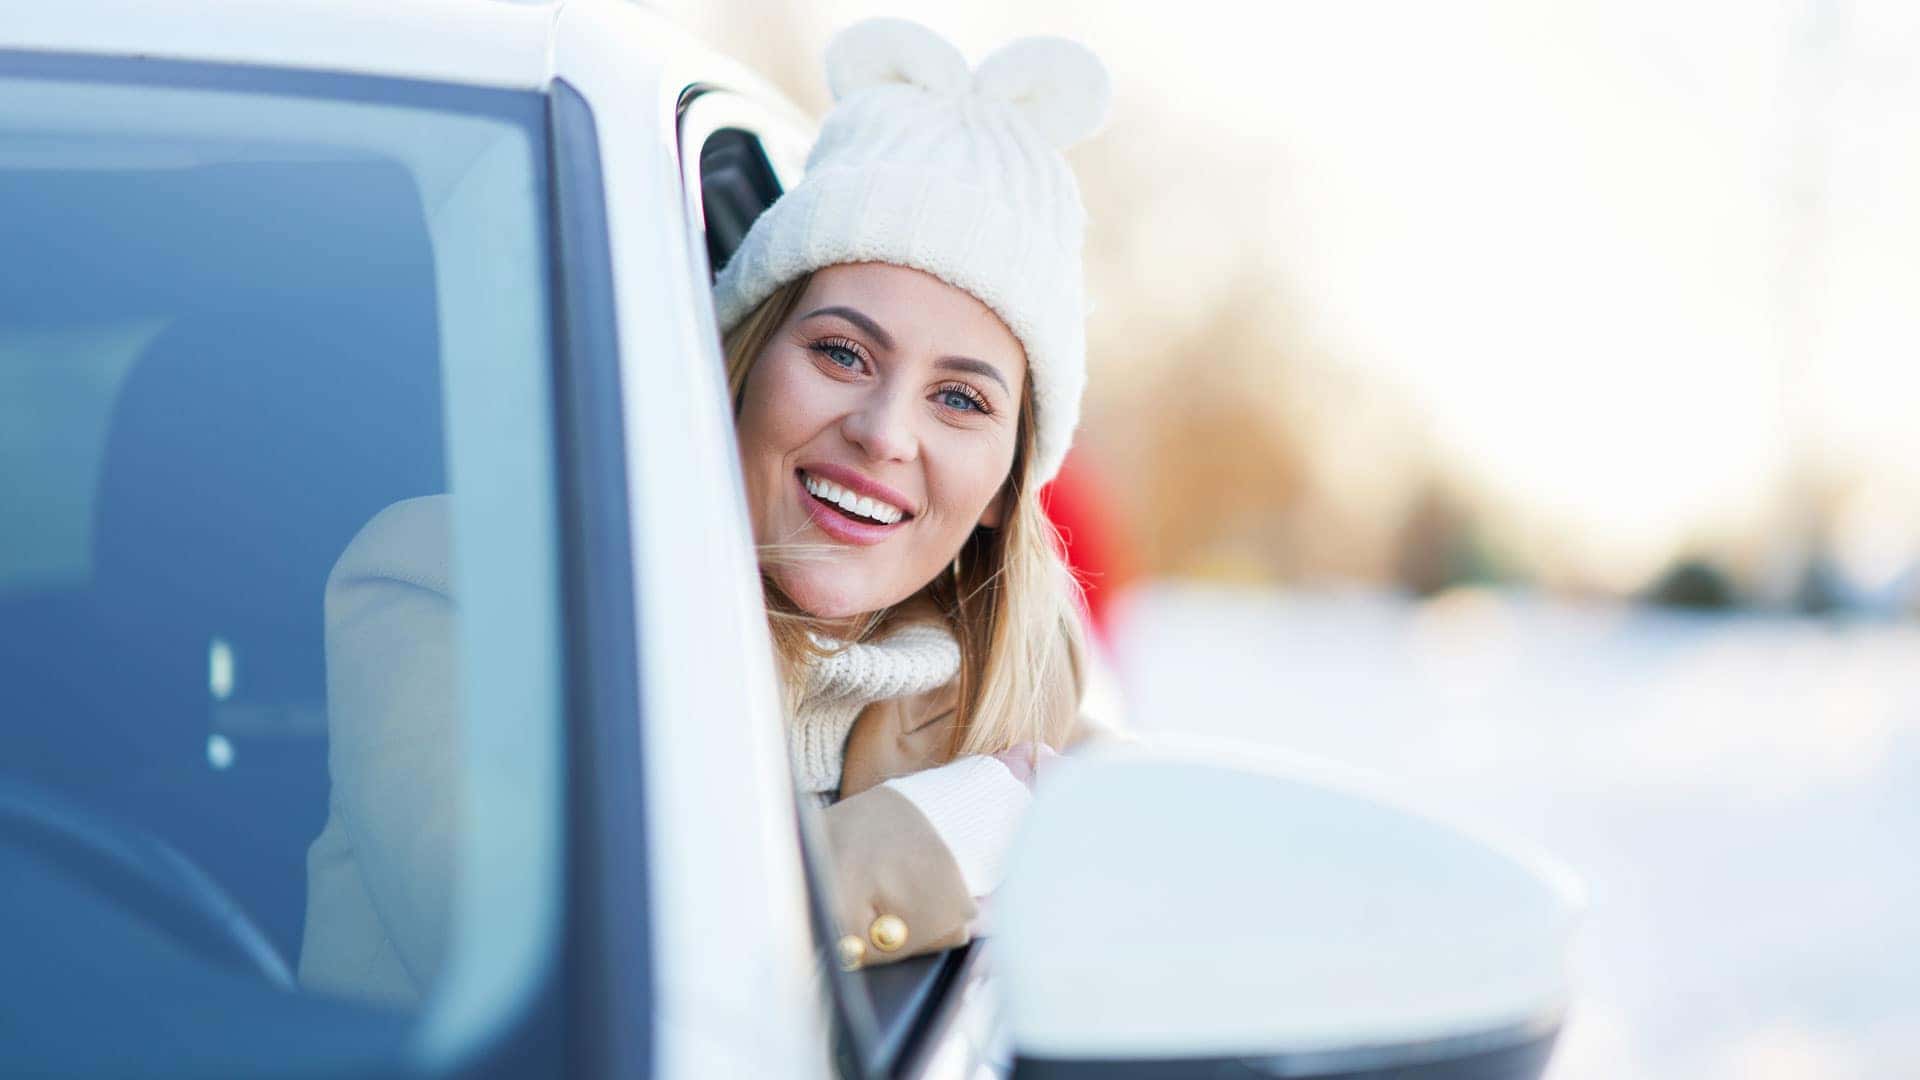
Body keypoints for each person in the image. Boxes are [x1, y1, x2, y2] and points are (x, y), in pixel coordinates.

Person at [300, 17, 1115, 1006]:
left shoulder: (1019, 667)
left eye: (961, 400)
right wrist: (933, 843)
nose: (884, 433)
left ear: (1003, 488)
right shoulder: (447, 585)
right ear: (741, 361)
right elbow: (549, 970)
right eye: (842, 353)